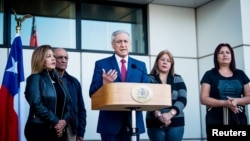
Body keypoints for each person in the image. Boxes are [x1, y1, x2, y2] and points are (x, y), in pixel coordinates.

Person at [89, 30, 149, 141]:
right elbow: (92, 93)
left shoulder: (140, 65)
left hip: (133, 122)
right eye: (119, 42)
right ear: (113, 45)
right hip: (110, 123)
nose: (123, 45)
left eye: (126, 41)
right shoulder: (101, 64)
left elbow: (147, 91)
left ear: (130, 44)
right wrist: (104, 84)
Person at [200, 43, 250, 135]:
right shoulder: (209, 75)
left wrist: (236, 101)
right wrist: (225, 103)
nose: (225, 55)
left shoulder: (240, 74)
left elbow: (249, 96)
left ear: (232, 56)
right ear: (216, 56)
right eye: (221, 53)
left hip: (239, 119)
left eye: (228, 52)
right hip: (215, 120)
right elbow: (203, 99)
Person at [24, 45, 72, 141]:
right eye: (48, 56)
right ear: (40, 59)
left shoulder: (60, 80)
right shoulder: (34, 78)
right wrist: (56, 121)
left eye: (53, 56)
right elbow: (36, 104)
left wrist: (64, 122)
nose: (53, 59)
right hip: (40, 129)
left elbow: (69, 104)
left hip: (60, 130)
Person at [145, 50, 187, 141]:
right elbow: (147, 99)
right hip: (154, 120)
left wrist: (170, 114)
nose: (165, 62)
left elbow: (183, 99)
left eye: (168, 61)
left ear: (171, 64)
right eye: (162, 59)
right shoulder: (148, 78)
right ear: (157, 62)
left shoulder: (178, 78)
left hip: (176, 120)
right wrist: (159, 115)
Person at [54, 48, 87, 141]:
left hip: (71, 130)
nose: (63, 60)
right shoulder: (45, 80)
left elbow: (81, 109)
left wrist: (81, 132)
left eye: (66, 58)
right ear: (53, 59)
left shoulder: (74, 82)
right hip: (52, 128)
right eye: (60, 57)